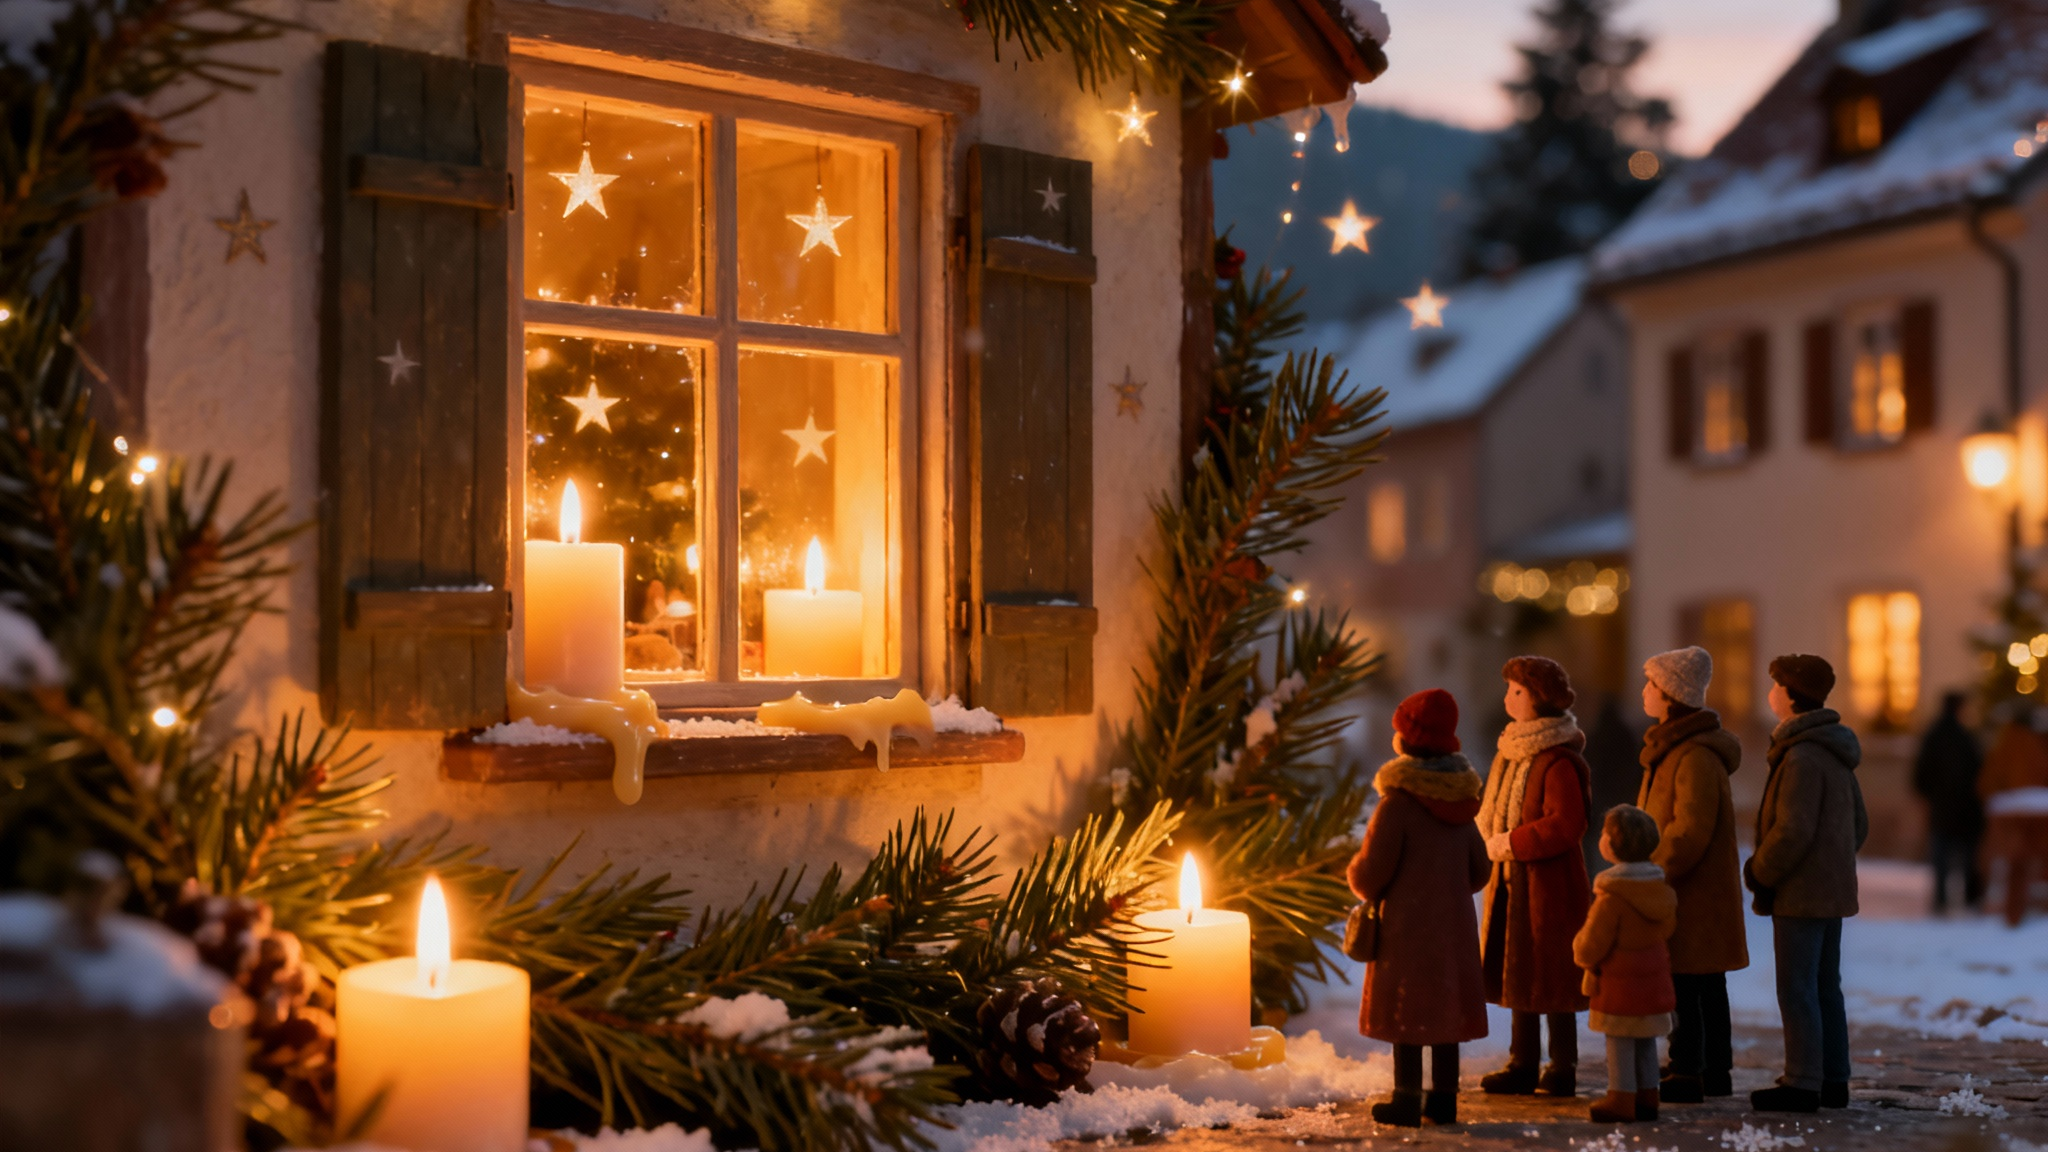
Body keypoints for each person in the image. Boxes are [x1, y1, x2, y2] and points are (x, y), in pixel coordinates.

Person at [1349, 688, 1491, 1127]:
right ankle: (1444, 1100)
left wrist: (1355, 872)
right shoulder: (1461, 806)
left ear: (1406, 741)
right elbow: (1480, 870)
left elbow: (1370, 875)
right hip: (1453, 929)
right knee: (1446, 1015)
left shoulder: (1397, 805)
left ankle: (1407, 1098)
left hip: (1405, 931)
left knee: (1406, 1017)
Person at [1746, 654, 1867, 1114]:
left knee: (1797, 987)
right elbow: (1859, 824)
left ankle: (1802, 1081)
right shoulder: (1833, 752)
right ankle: (1833, 1078)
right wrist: (1833, 862)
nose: (1770, 693)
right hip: (1831, 891)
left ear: (1791, 695)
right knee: (1825, 986)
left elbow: (1792, 831)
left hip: (1801, 894)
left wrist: (1760, 870)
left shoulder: (1801, 756)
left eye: (1775, 685)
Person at [1635, 646, 1747, 1102]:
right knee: (1701, 983)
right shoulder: (1673, 749)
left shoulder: (1694, 755)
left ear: (1670, 694)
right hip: (1689, 893)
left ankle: (1692, 1069)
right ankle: (1709, 1068)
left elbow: (1690, 830)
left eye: (1651, 684)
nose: (1645, 691)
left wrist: (1651, 870)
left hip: (1693, 894)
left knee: (1691, 982)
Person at [1477, 656, 1592, 1097]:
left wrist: (1512, 842)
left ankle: (1562, 1065)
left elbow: (1566, 823)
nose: (1509, 698)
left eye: (1518, 691)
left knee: (1554, 977)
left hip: (1549, 887)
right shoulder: (1510, 753)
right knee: (1518, 973)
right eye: (1509, 689)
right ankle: (1522, 1062)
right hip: (1512, 884)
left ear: (1540, 699)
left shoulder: (1556, 761)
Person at [1574, 804, 1677, 1124]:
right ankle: (1648, 1096)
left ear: (1615, 843)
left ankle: (1621, 1098)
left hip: (1619, 985)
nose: (1601, 838)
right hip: (1653, 981)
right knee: (1645, 1040)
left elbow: (1591, 945)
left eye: (1606, 833)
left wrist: (1579, 951)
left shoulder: (1613, 897)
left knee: (1619, 1044)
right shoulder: (1660, 891)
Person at [1912, 692, 1983, 914]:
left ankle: (1941, 898)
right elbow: (1977, 770)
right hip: (1965, 807)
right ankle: (1968, 897)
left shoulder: (1934, 735)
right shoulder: (1965, 736)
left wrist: (1928, 796)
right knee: (1965, 854)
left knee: (1941, 853)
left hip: (1941, 805)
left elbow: (1921, 772)